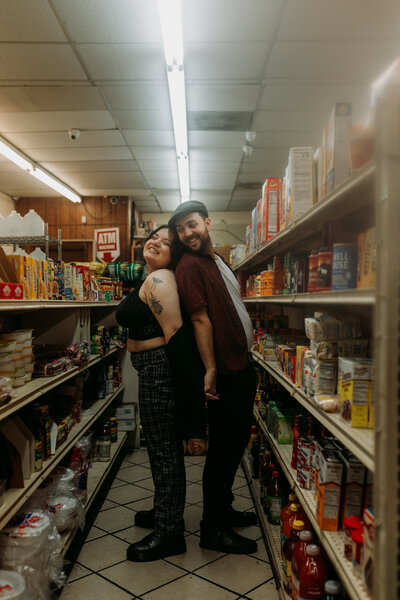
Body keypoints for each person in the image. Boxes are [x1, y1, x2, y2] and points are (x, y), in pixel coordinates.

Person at [168, 200, 258, 555]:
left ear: (206, 223)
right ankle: (212, 529)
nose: (187, 233)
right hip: (227, 371)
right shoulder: (189, 266)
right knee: (222, 451)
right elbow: (200, 320)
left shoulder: (215, 259)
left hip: (241, 365)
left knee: (234, 446)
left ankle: (225, 508)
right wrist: (210, 369)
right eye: (180, 229)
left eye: (192, 225)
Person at [115, 224, 207, 562]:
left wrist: (191, 404)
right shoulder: (151, 276)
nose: (156, 242)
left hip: (159, 370)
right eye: (154, 236)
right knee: (159, 447)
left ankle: (170, 533)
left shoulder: (160, 280)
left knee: (165, 452)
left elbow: (178, 338)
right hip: (152, 368)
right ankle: (163, 512)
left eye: (166, 243)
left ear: (175, 254)